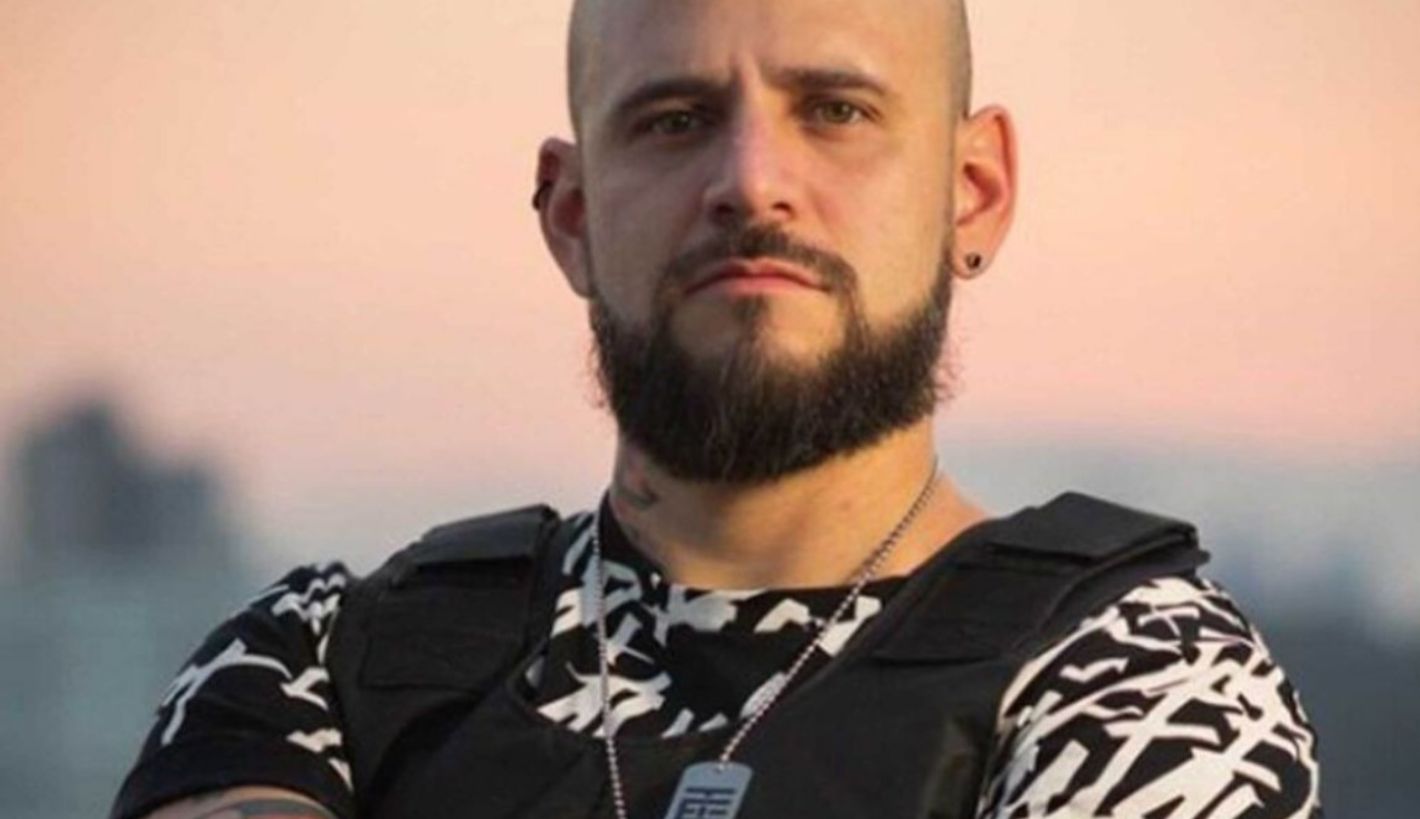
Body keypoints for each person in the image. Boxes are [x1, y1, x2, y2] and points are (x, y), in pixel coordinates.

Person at [111, 0, 1321, 817]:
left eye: (835, 111)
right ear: (571, 213)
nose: (749, 183)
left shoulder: (1140, 685)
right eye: (675, 121)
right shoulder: (316, 665)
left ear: (972, 191)